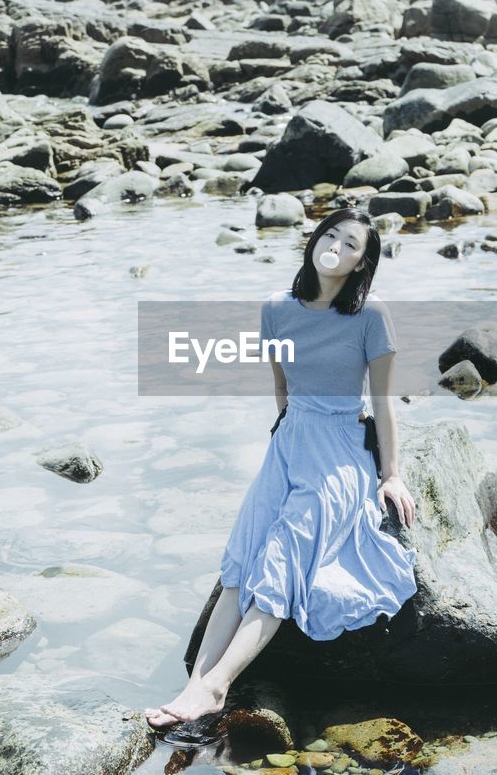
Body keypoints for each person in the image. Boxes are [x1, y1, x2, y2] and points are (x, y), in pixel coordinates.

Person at [144, 207, 419, 733]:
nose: (336, 245)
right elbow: (281, 387)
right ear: (316, 238)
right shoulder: (276, 308)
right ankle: (191, 688)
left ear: (363, 263)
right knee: (240, 560)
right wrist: (287, 440)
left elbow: (382, 402)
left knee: (283, 560)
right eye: (331, 233)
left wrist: (390, 474)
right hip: (290, 442)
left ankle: (217, 686)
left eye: (352, 243)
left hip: (340, 448)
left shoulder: (371, 315)